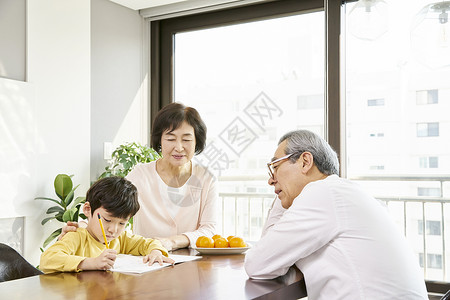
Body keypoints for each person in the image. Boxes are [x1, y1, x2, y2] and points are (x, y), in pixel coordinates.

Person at [244, 130, 428, 299]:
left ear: (305, 161)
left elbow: (259, 264)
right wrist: (285, 193)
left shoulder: (322, 194)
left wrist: (283, 197)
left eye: (275, 166)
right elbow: (270, 255)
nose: (270, 179)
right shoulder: (345, 193)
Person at [60, 102, 217, 251]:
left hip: (193, 261)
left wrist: (172, 242)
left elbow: (209, 229)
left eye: (186, 139)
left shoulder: (206, 178)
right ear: (159, 141)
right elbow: (110, 206)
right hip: (145, 260)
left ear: (197, 142)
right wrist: (81, 228)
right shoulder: (141, 175)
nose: (179, 147)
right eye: (170, 139)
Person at [40, 177, 174, 273]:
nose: (113, 230)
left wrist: (155, 252)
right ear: (88, 209)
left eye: (122, 223)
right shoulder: (77, 237)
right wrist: (91, 263)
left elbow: (147, 243)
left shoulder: (120, 238)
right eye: (107, 220)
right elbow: (47, 259)